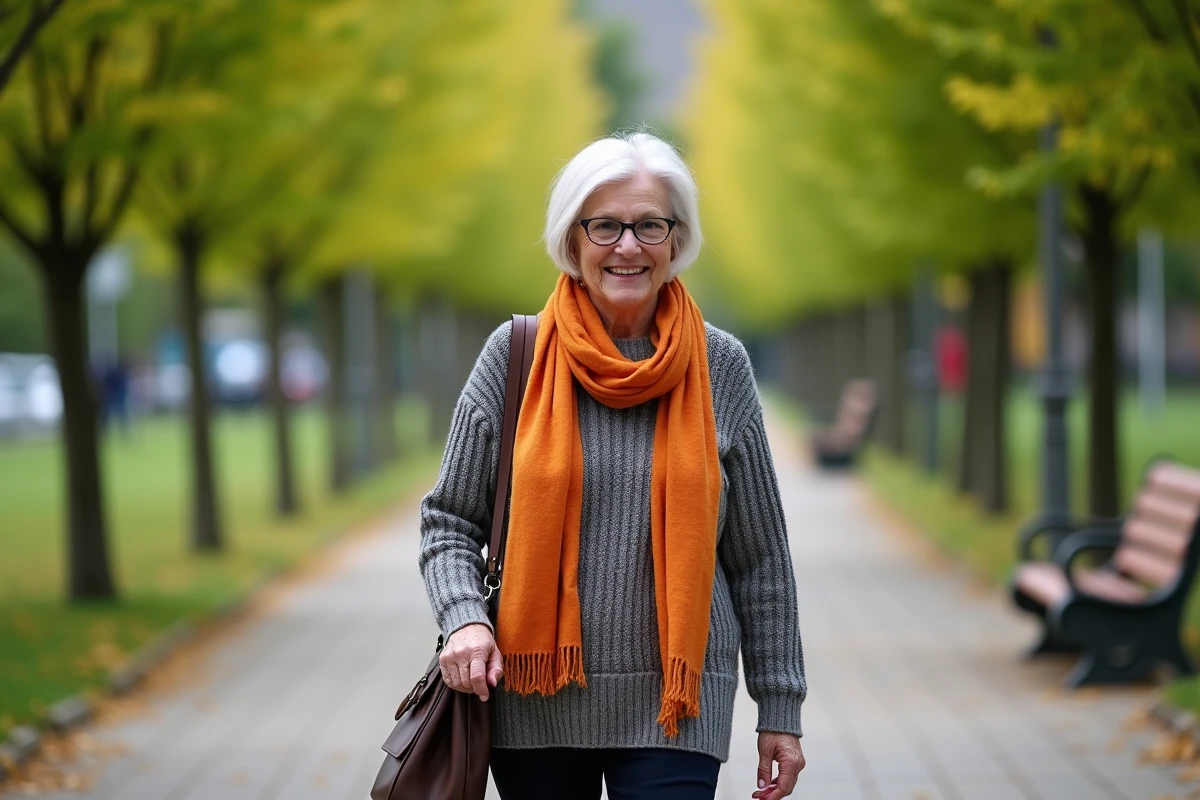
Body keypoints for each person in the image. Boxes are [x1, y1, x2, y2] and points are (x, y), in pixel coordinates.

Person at [418, 132, 806, 800]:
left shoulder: (722, 366)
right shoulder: (514, 356)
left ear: (676, 238)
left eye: (649, 224)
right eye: (605, 226)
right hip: (532, 703)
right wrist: (464, 619)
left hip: (675, 707)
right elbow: (448, 521)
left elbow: (760, 557)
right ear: (572, 239)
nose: (628, 246)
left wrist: (781, 708)